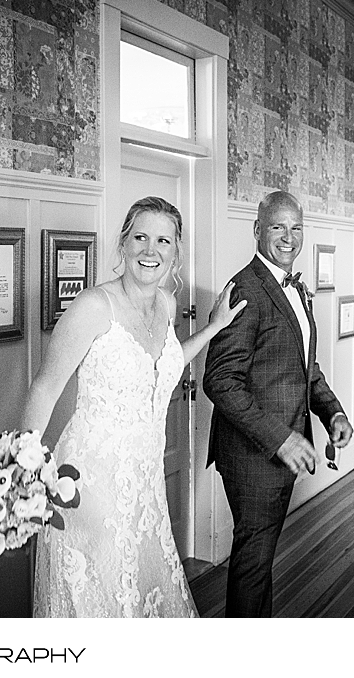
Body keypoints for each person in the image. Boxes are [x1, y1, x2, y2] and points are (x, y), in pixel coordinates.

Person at [24, 196, 246, 618]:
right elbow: (45, 389)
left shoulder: (165, 304)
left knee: (145, 588)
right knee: (104, 597)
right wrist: (21, 471)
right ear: (123, 245)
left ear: (175, 251)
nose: (151, 250)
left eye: (163, 241)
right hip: (89, 482)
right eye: (140, 237)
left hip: (145, 478)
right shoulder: (92, 307)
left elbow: (164, 366)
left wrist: (215, 327)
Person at [203, 190, 354, 618]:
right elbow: (220, 380)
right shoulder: (245, 289)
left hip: (283, 447)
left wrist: (333, 412)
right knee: (253, 564)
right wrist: (280, 439)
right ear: (256, 230)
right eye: (277, 227)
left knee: (259, 560)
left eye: (296, 228)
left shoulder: (294, 288)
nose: (288, 237)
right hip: (254, 453)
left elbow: (305, 368)